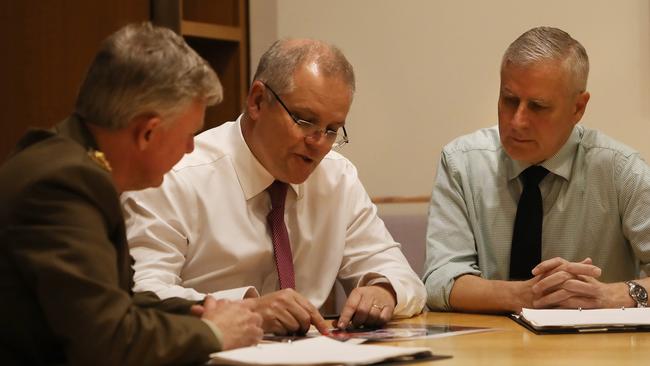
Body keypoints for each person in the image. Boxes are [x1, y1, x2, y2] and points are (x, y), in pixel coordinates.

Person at [122, 38, 426, 335]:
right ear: (257, 101)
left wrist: (384, 290)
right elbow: (142, 292)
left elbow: (403, 277)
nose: (318, 143)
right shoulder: (175, 176)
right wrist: (246, 310)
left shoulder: (337, 177)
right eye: (305, 121)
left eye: (332, 129)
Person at [0, 23, 263, 365]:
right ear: (148, 132)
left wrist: (202, 312)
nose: (189, 149)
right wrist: (213, 333)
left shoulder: (69, 161)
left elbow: (117, 302)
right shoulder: (63, 184)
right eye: (188, 134)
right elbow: (106, 340)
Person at [423, 26, 650, 313]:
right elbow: (440, 280)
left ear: (578, 108)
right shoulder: (461, 163)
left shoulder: (621, 170)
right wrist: (527, 295)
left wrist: (612, 296)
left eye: (538, 107)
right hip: (488, 350)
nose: (518, 121)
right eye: (509, 100)